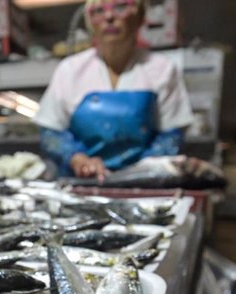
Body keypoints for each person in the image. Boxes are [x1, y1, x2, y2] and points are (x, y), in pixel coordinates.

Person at [33, 0, 194, 181]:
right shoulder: (70, 70)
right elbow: (51, 132)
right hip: (81, 184)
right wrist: (78, 159)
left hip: (145, 184)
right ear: (90, 22)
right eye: (99, 10)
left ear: (140, 17)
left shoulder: (162, 69)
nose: (109, 17)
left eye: (120, 6)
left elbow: (171, 134)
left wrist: (141, 170)